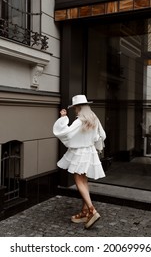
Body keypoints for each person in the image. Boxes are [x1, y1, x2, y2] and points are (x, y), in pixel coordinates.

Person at [53, 94, 106, 229]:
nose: (75, 110)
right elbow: (102, 136)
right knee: (84, 181)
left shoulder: (79, 121)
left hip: (80, 153)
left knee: (78, 180)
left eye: (75, 108)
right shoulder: (94, 119)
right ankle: (85, 212)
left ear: (78, 107)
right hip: (90, 152)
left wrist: (63, 119)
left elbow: (66, 133)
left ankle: (92, 210)